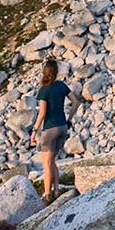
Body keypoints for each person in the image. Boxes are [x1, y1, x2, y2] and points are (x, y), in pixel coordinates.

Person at [30, 59, 71, 203]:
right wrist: (69, 119)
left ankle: (48, 194)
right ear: (56, 72)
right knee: (52, 160)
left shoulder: (44, 90)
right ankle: (57, 189)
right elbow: (75, 102)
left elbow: (42, 113)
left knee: (46, 164)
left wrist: (34, 131)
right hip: (62, 127)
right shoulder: (61, 86)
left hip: (50, 129)